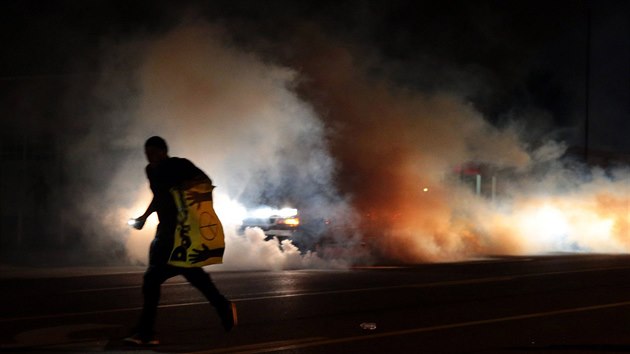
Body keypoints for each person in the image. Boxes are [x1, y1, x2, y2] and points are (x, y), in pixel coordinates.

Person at [124, 136, 237, 346]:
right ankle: (222, 306)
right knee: (190, 274)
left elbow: (205, 181)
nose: (149, 157)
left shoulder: (179, 164)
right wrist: (144, 216)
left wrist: (188, 184)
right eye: (146, 154)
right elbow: (158, 197)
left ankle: (146, 332)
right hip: (164, 230)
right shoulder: (151, 170)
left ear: (163, 151)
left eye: (153, 153)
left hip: (181, 231)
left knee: (156, 279)